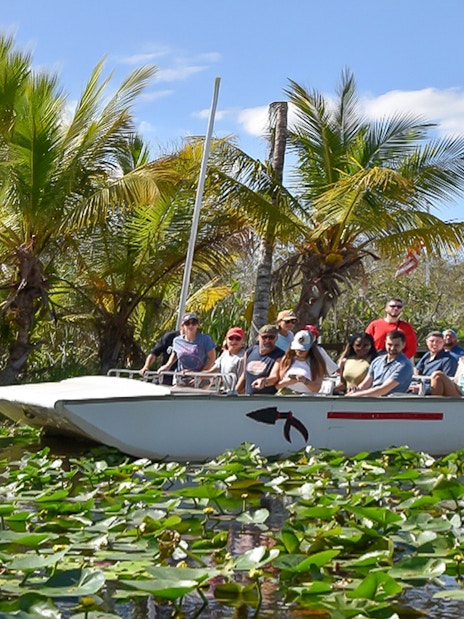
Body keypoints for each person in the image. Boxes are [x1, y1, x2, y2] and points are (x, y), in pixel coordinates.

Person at [346, 330, 413, 397]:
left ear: (403, 345)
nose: (392, 348)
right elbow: (365, 385)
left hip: (391, 401)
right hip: (373, 399)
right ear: (385, 343)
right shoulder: (377, 361)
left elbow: (383, 390)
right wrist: (353, 392)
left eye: (396, 345)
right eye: (389, 344)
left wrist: (356, 395)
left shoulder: (405, 365)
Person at [158, 312, 216, 385]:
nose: (191, 326)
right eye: (187, 323)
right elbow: (175, 355)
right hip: (182, 377)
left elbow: (212, 359)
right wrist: (166, 366)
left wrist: (200, 376)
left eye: (194, 323)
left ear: (197, 325)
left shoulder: (205, 339)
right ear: (182, 326)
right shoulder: (177, 341)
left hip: (201, 380)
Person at [236, 324, 284, 395]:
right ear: (258, 337)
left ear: (276, 338)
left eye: (271, 337)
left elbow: (274, 377)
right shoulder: (250, 351)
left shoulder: (280, 355)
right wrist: (236, 390)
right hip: (248, 398)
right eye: (264, 337)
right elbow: (244, 374)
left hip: (267, 399)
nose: (267, 340)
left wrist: (264, 381)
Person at [212, 326, 246, 390]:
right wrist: (197, 376)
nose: (234, 341)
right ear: (226, 339)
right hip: (225, 393)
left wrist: (234, 394)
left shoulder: (242, 358)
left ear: (243, 340)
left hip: (237, 396)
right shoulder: (224, 354)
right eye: (231, 338)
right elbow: (214, 370)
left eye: (238, 338)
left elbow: (243, 382)